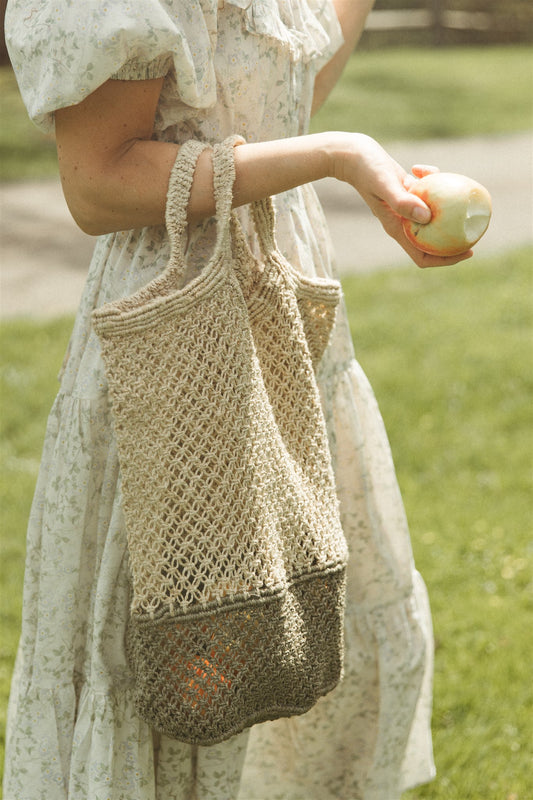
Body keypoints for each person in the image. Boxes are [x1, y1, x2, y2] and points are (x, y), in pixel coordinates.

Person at [3, 1, 473, 798]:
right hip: (177, 331)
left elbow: (272, 103)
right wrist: (338, 155)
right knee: (190, 649)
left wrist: (328, 147)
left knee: (293, 623)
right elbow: (98, 182)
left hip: (283, 305)